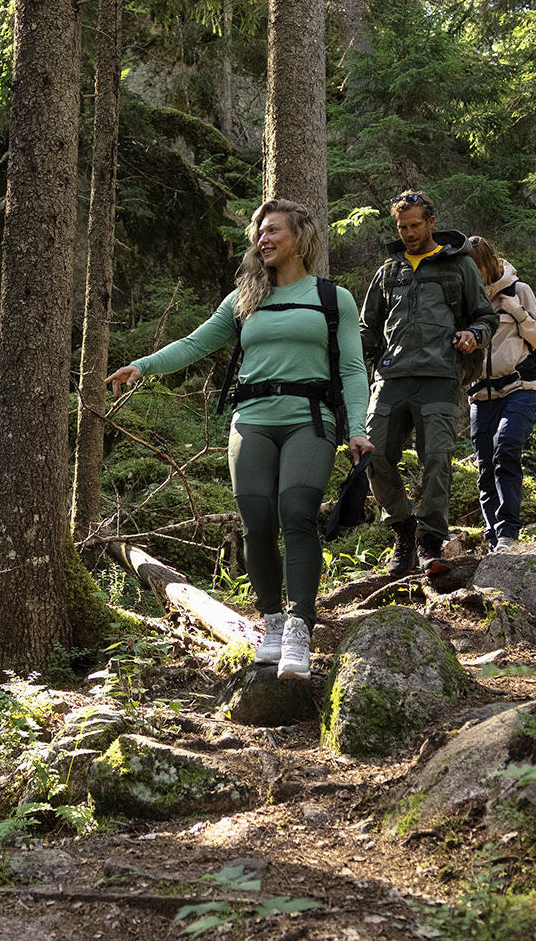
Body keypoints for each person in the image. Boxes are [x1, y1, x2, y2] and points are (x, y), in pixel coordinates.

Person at [107, 199, 372, 680]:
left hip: (309, 420)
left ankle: (300, 629)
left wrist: (358, 428)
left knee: (296, 513)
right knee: (257, 522)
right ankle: (272, 621)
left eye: (272, 231)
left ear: (299, 238)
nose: (262, 239)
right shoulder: (244, 298)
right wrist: (142, 366)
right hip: (251, 421)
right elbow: (194, 343)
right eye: (259, 233)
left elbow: (353, 369)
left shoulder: (333, 298)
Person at [359, 190, 498, 578]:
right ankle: (403, 529)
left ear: (431, 223)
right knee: (373, 453)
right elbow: (368, 327)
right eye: (402, 227)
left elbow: (486, 317)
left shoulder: (459, 266)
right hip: (390, 378)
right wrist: (353, 357)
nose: (408, 233)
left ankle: (429, 542)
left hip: (439, 377)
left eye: (415, 225)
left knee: (436, 458)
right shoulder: (389, 271)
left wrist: (473, 335)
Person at [465, 235, 536, 551]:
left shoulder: (518, 291)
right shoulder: (465, 300)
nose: (471, 275)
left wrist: (518, 313)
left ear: (488, 264)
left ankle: (508, 533)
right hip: (481, 395)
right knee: (485, 466)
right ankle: (494, 539)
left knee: (506, 449)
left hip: (519, 388)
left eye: (475, 268)